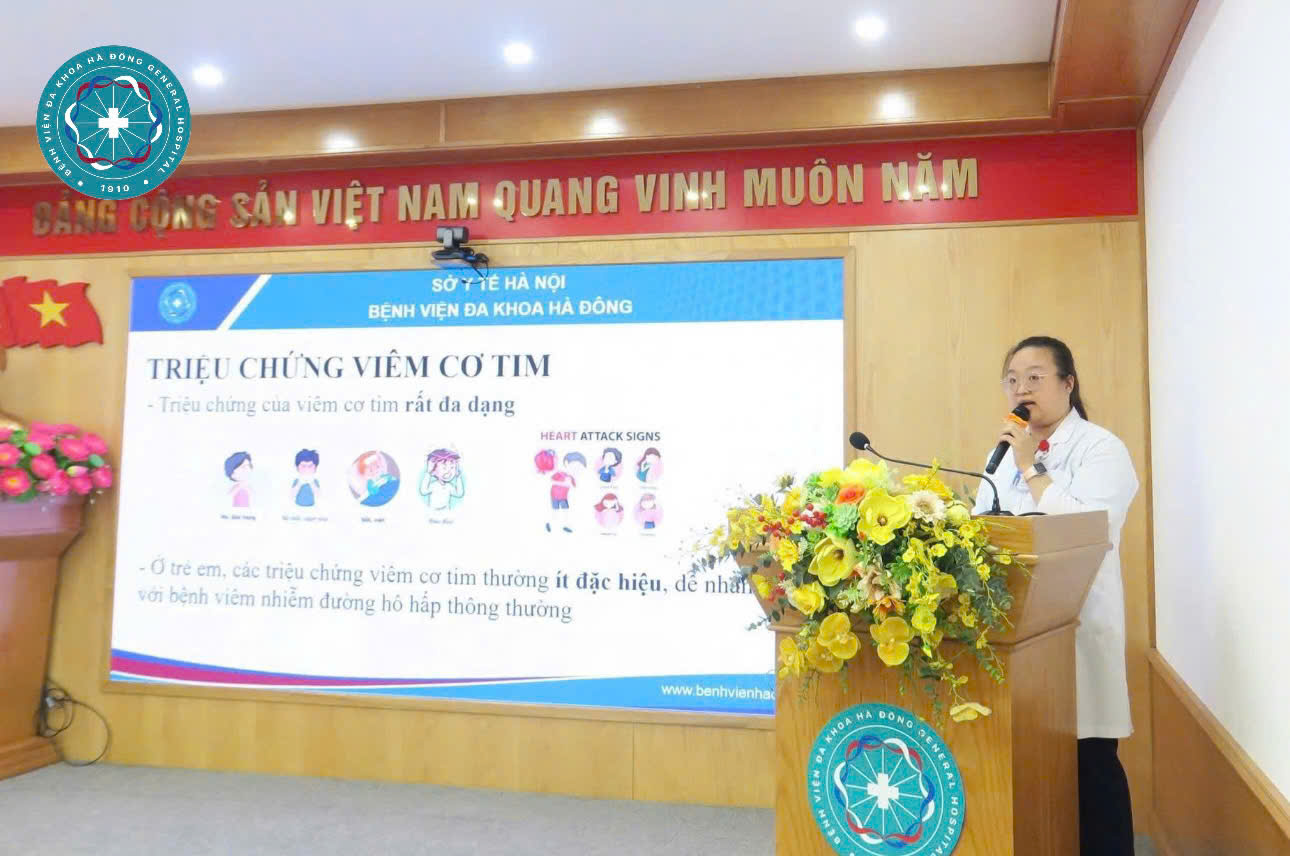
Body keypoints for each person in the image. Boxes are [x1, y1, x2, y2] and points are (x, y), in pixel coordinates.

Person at [972, 335, 1138, 856]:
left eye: (1034, 377)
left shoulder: (1101, 448)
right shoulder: (1002, 455)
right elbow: (981, 525)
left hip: (1077, 627)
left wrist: (1030, 467)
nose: (1021, 389)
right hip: (1015, 632)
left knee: (1091, 768)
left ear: (1068, 384)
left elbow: (1091, 526)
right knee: (1031, 768)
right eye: (1012, 380)